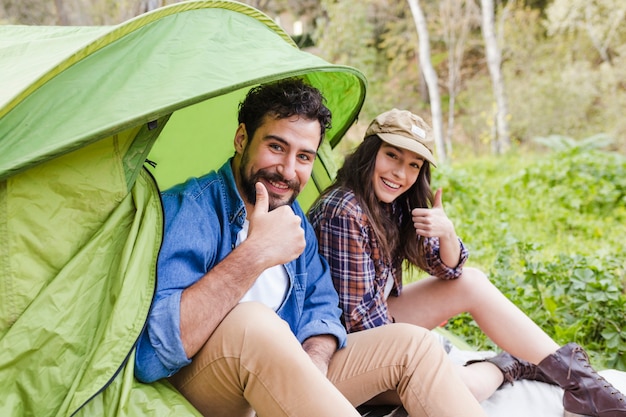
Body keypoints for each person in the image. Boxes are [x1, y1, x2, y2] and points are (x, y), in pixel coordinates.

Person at [134, 79, 489, 417]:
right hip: (213, 389)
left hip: (283, 379)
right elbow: (156, 352)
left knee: (415, 345)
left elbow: (322, 305)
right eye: (276, 146)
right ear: (242, 138)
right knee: (252, 321)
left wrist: (315, 360)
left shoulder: (292, 216)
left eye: (304, 157)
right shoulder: (190, 208)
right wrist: (255, 254)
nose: (287, 170)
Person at [308, 108, 626, 417]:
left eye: (414, 165)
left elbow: (451, 271)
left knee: (471, 282)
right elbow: (359, 322)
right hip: (340, 344)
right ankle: (506, 364)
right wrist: (424, 352)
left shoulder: (391, 203)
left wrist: (447, 232)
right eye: (392, 156)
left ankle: (585, 386)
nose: (401, 174)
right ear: (370, 152)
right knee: (458, 387)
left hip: (374, 323)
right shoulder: (345, 212)